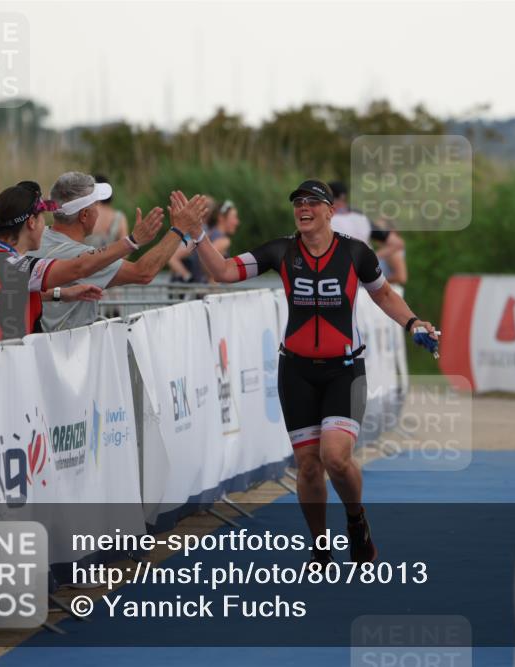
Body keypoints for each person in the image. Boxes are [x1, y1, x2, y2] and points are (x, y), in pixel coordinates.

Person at [191, 179, 440, 564]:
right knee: (308, 466)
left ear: (330, 211)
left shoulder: (356, 253)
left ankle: (357, 521)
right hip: (297, 372)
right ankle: (320, 544)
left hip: (345, 370)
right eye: (297, 203)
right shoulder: (280, 250)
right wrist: (195, 234)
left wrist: (414, 324)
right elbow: (223, 271)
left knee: (336, 457)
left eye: (312, 202)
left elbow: (385, 295)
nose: (303, 208)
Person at [0, 181, 164, 344]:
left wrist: (61, 294)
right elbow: (79, 267)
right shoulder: (12, 266)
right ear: (32, 223)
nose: (46, 225)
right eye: (43, 217)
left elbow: (9, 295)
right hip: (7, 372)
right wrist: (132, 241)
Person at [30, 172, 208, 331]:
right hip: (64, 357)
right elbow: (143, 273)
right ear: (84, 215)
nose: (99, 211)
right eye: (96, 205)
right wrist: (179, 229)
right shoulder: (82, 257)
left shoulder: (34, 237)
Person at [83, 174, 129, 249]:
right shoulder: (119, 217)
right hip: (111, 260)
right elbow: (126, 248)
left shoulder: (84, 213)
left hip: (83, 259)